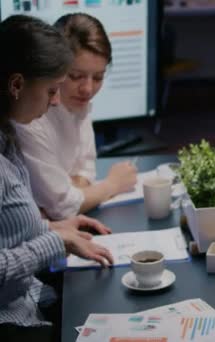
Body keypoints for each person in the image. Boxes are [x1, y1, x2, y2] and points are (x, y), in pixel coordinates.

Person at [0, 15, 114, 341]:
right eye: (52, 89)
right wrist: (54, 241)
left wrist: (53, 227)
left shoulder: (5, 141)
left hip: (28, 302)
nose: (55, 101)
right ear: (17, 85)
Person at [13, 13, 137, 220]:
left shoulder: (78, 101)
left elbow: (86, 169)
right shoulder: (29, 116)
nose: (88, 89)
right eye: (75, 76)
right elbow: (62, 208)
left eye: (98, 77)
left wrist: (72, 192)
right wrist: (112, 184)